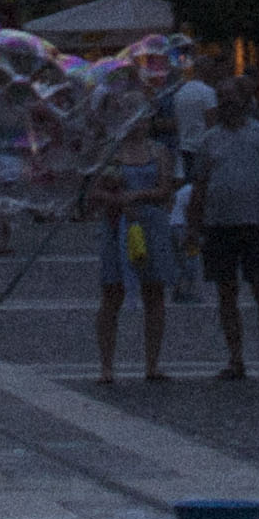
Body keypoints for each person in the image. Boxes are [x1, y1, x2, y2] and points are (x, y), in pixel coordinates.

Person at [195, 86, 259, 378]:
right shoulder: (209, 139)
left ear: (245, 102)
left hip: (255, 224)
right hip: (219, 224)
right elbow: (200, 184)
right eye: (223, 100)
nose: (227, 104)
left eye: (232, 99)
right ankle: (235, 358)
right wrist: (193, 225)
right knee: (226, 293)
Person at [87, 148, 174, 383]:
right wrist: (115, 198)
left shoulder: (158, 151)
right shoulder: (110, 151)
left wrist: (135, 195)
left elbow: (165, 190)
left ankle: (152, 365)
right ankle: (106, 367)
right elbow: (93, 191)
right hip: (116, 223)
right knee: (111, 292)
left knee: (154, 291)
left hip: (151, 224)